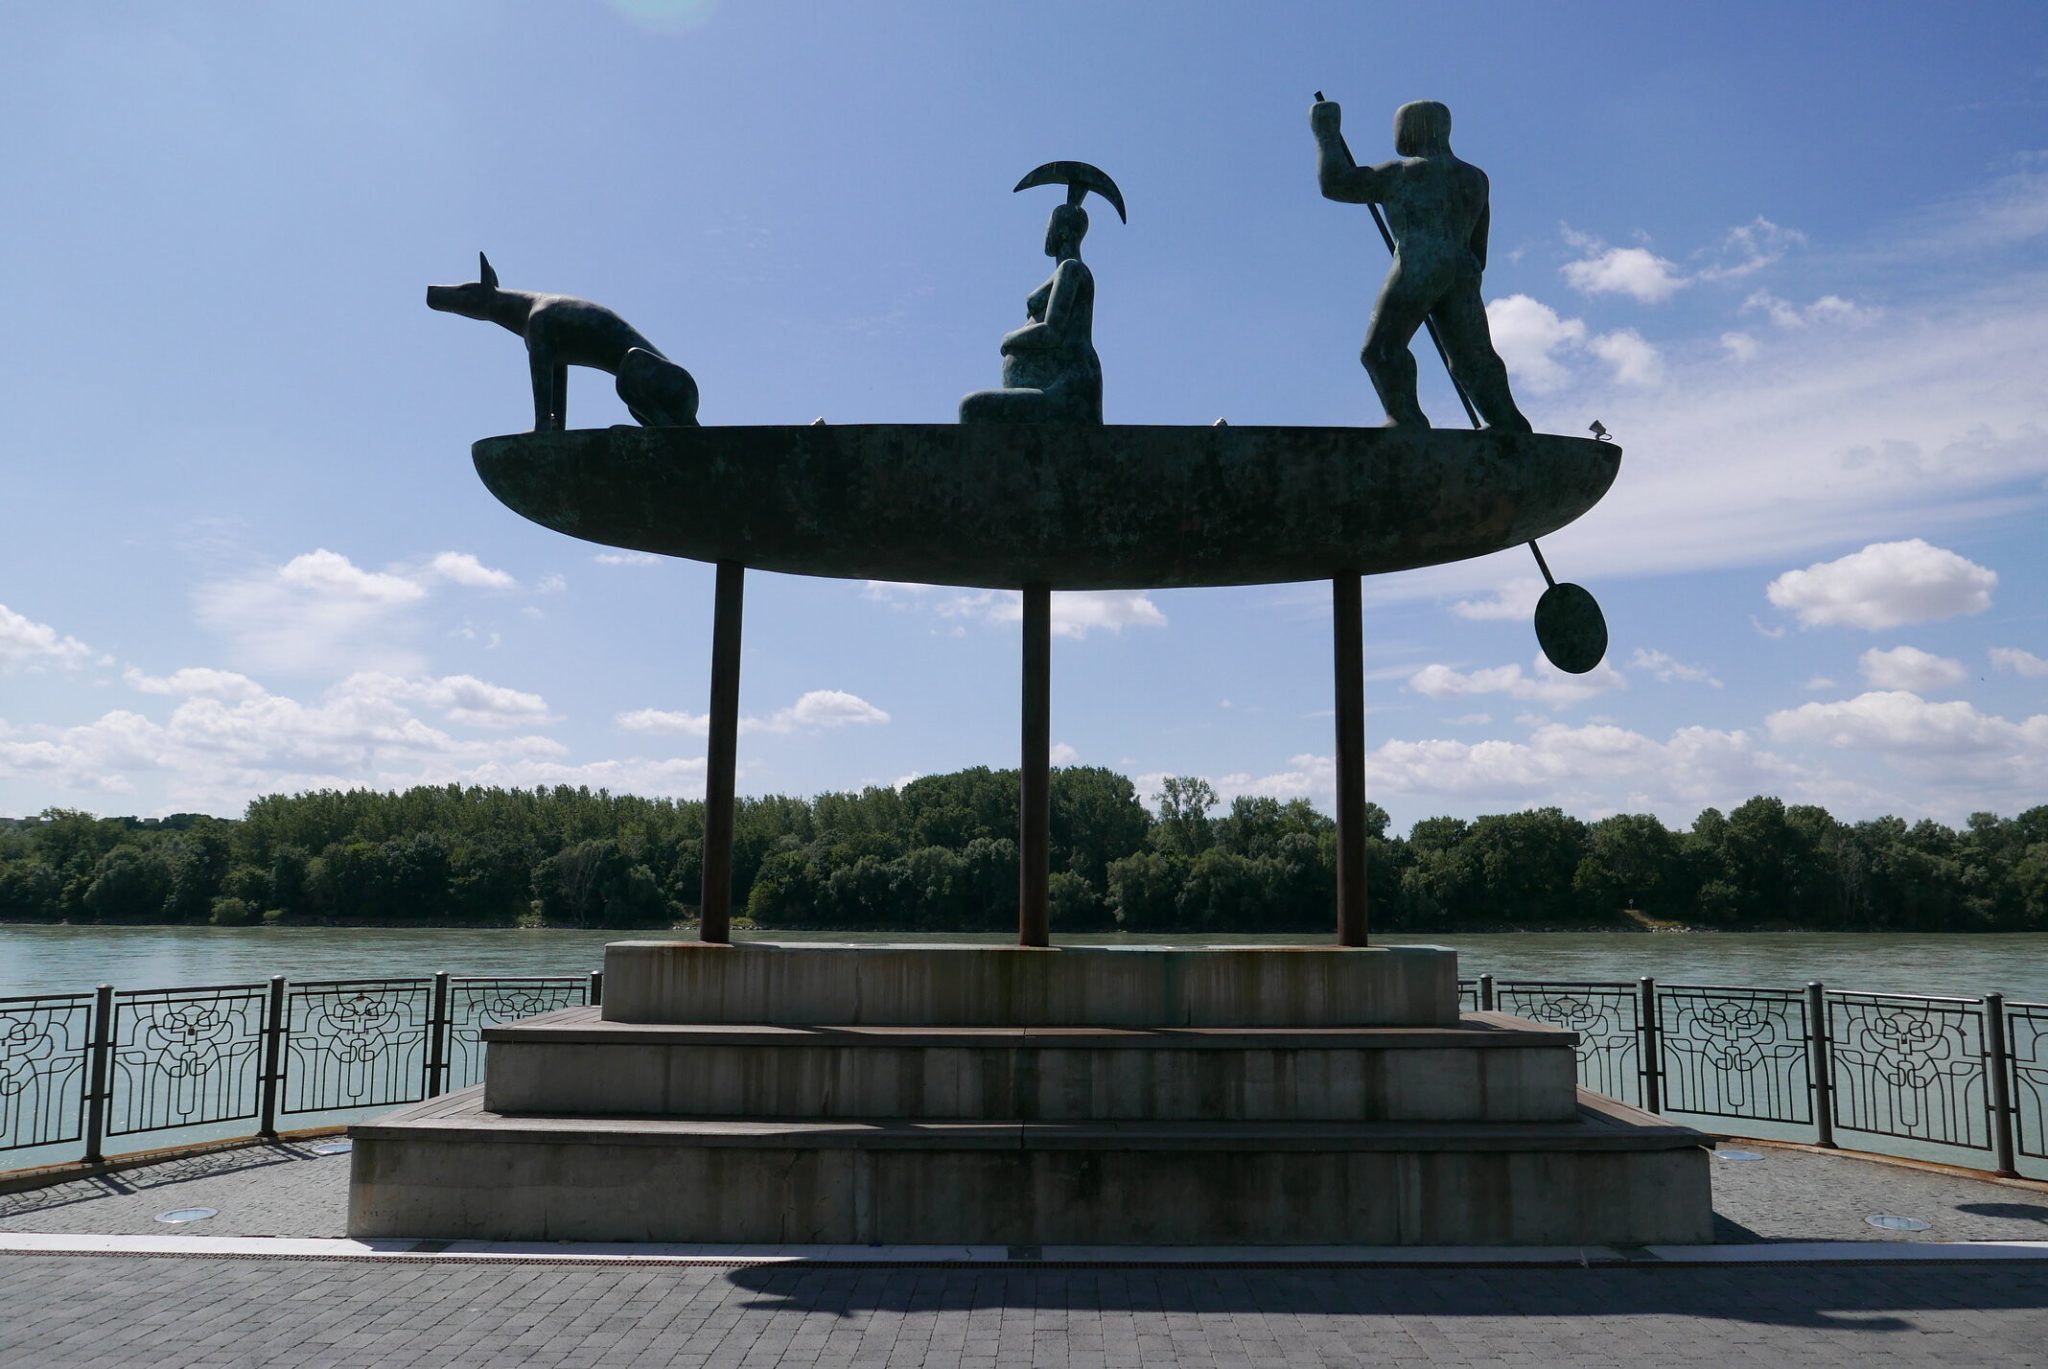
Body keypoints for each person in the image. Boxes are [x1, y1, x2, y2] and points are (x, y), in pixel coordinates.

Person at [1311, 97, 1530, 432]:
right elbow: (1479, 250)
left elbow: (1336, 184)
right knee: (1472, 358)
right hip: (1464, 269)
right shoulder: (1475, 178)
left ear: (1408, 128)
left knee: (1381, 349)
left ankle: (1406, 419)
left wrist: (1327, 134)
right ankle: (1508, 423)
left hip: (1418, 264)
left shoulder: (1401, 173)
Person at [959, 201, 1101, 423]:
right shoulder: (1066, 270)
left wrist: (1009, 339)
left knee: (972, 407)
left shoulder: (1071, 269)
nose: (1046, 232)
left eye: (1049, 226)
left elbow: (1051, 332)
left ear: (1063, 232)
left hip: (1069, 386)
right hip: (1053, 380)